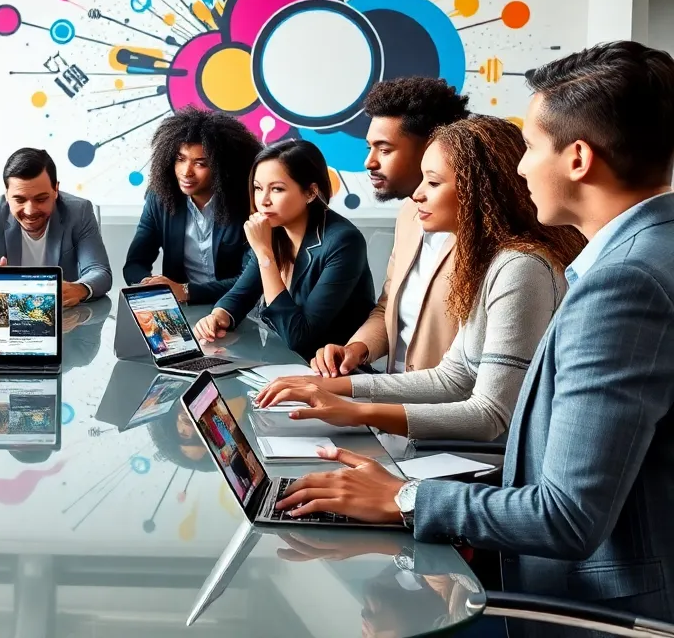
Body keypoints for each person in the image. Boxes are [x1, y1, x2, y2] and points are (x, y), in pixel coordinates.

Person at [274, 42, 674, 632]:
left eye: (531, 147)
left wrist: (402, 498)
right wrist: (347, 394)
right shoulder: (644, 253)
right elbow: (461, 376)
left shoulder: (623, 283)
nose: (521, 167)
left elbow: (566, 515)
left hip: (594, 607)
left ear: (578, 158)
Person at [255, 117, 586, 441]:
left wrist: (356, 411)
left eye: (433, 182)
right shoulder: (487, 260)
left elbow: (491, 416)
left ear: (478, 190)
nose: (417, 195)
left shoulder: (521, 267)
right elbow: (452, 377)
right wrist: (327, 385)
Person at [312, 78, 472, 376]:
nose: (369, 162)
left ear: (431, 149)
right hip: (392, 393)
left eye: (384, 150)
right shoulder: (409, 214)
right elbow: (388, 307)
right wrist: (356, 349)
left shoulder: (483, 235)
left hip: (441, 402)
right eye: (370, 148)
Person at [192, 140, 375, 360]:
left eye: (277, 189)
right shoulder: (275, 229)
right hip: (277, 358)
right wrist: (218, 316)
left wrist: (265, 254)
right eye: (258, 188)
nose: (263, 200)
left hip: (328, 367)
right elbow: (242, 293)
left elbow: (299, 336)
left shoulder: (344, 242)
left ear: (311, 192)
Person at [124, 108, 263, 303]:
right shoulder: (160, 199)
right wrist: (150, 285)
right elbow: (135, 264)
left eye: (200, 163)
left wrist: (186, 291)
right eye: (180, 159)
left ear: (224, 167)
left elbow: (250, 281)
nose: (186, 172)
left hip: (237, 308)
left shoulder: (248, 204)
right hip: (182, 309)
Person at [0, 147, 112, 306]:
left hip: (65, 315)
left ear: (56, 189)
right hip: (8, 315)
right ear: (7, 194)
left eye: (41, 199)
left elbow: (100, 271)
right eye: (19, 200)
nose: (30, 211)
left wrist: (79, 289)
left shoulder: (79, 211)